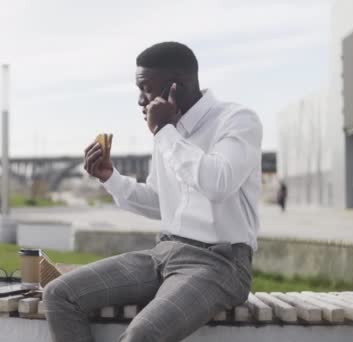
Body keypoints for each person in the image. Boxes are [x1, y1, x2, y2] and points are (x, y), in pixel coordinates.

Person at [43, 42, 262, 342]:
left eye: (145, 87)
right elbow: (162, 203)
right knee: (59, 294)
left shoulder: (237, 121)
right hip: (165, 252)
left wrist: (164, 132)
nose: (139, 99)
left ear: (177, 85)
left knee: (142, 336)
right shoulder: (168, 132)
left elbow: (217, 183)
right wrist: (111, 178)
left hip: (221, 264)